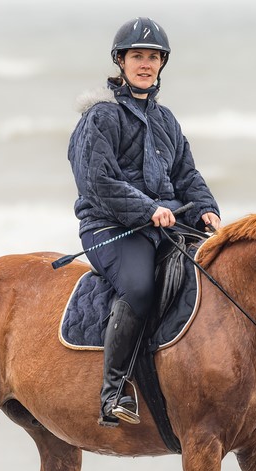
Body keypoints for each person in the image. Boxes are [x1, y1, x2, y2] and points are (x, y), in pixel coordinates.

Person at [68, 17, 221, 427]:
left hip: (162, 226)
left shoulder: (167, 120)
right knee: (139, 288)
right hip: (109, 227)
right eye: (137, 55)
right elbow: (98, 181)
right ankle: (113, 392)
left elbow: (187, 175)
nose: (146, 63)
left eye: (153, 57)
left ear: (161, 65)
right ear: (121, 61)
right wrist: (147, 209)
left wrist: (207, 207)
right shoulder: (101, 117)